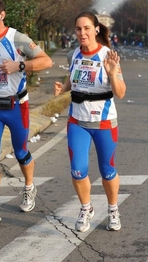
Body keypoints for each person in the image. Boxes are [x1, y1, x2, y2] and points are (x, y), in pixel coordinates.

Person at [0, 0, 52, 222]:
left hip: (17, 106)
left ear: (2, 15)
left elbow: (46, 61)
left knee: (20, 152)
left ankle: (29, 187)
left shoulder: (17, 39)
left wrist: (20, 66)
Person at [54, 11, 126, 232]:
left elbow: (121, 93)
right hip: (78, 121)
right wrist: (63, 88)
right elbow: (72, 77)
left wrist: (113, 74)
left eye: (86, 28)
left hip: (104, 123)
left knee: (107, 170)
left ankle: (113, 209)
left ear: (96, 29)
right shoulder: (72, 54)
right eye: (78, 28)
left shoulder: (108, 56)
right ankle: (86, 208)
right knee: (78, 169)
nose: (82, 33)